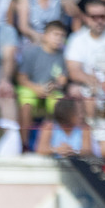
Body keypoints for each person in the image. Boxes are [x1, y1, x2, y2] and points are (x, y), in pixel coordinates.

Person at [17, 19, 69, 149]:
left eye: (62, 36)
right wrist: (37, 89)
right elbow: (21, 78)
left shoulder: (63, 55)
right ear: (45, 35)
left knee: (60, 105)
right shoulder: (31, 52)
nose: (58, 38)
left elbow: (62, 80)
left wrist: (54, 86)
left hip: (51, 90)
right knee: (26, 103)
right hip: (30, 87)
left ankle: (56, 144)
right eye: (55, 34)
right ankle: (25, 144)